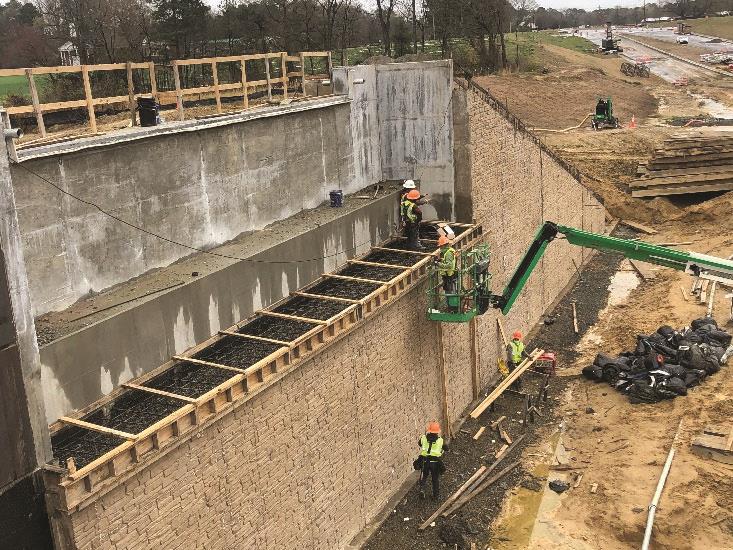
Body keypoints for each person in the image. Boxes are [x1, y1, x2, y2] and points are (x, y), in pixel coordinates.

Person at [416, 422, 447, 499]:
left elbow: (420, 444)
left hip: (425, 461)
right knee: (435, 479)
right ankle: (435, 496)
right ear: (437, 431)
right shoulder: (440, 440)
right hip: (435, 463)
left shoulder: (423, 438)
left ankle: (422, 489)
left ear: (429, 430)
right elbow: (446, 448)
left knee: (424, 476)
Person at [437, 236, 457, 311]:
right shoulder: (449, 251)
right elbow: (448, 261)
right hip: (449, 275)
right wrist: (441, 260)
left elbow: (449, 265)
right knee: (450, 291)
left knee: (449, 292)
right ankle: (451, 307)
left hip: (448, 276)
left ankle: (452, 308)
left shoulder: (448, 253)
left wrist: (438, 264)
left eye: (440, 246)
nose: (440, 248)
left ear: (444, 245)